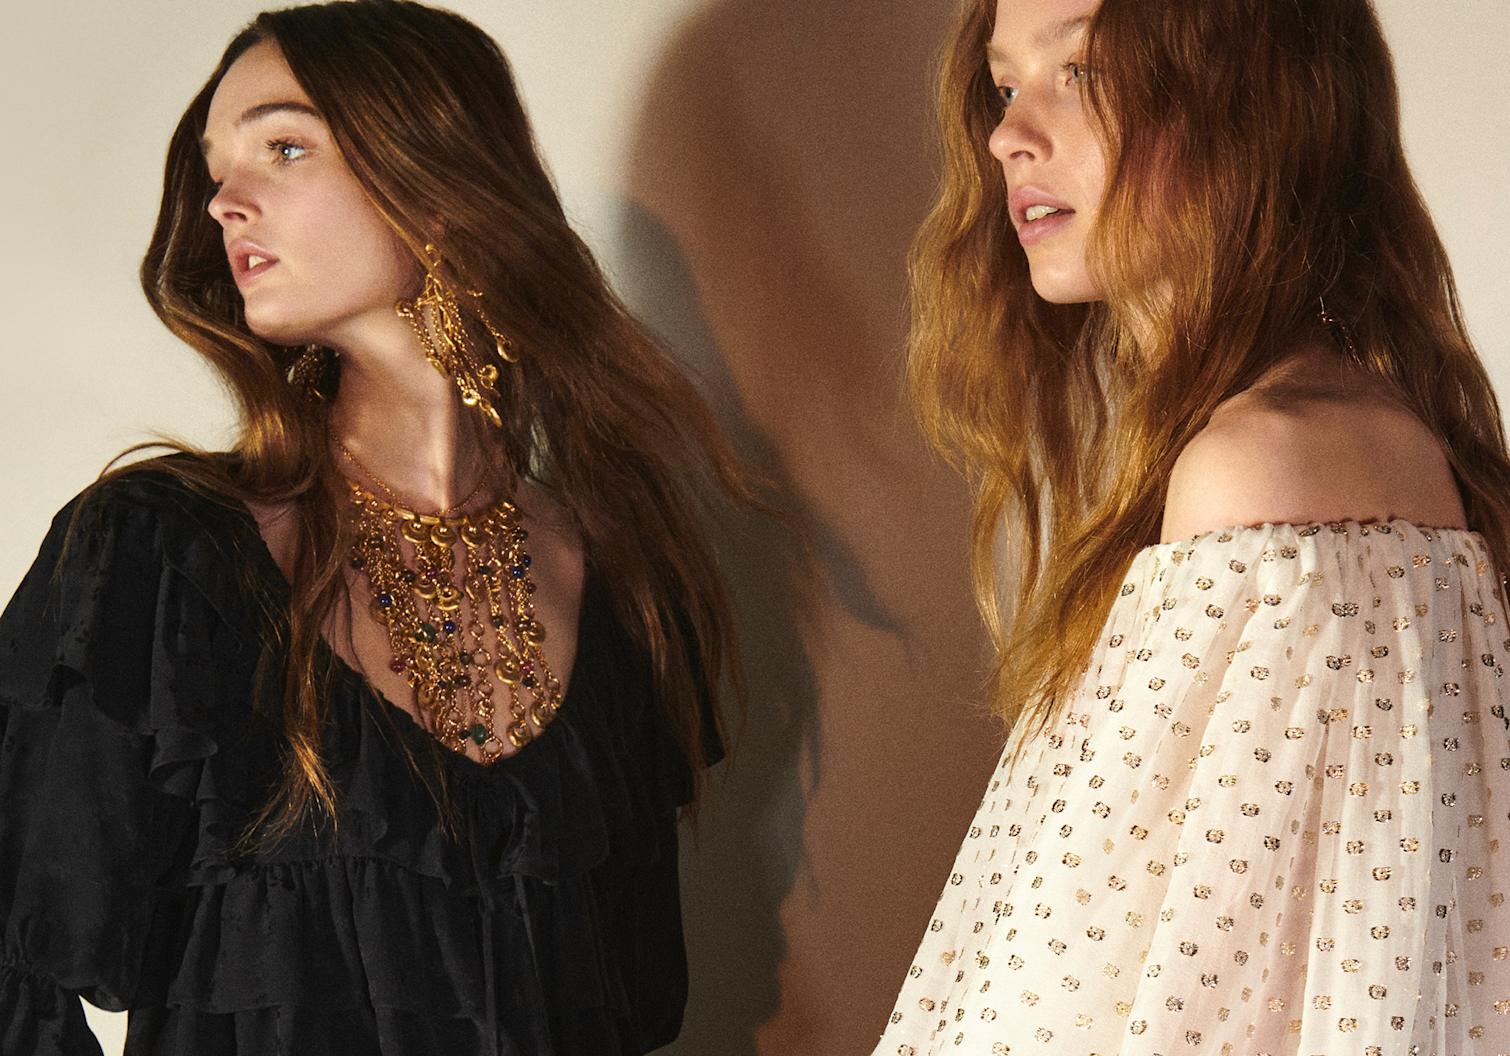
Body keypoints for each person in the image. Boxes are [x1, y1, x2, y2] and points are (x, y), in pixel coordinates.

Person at [0, 2, 753, 1053]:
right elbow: (23, 975)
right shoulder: (155, 561)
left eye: (285, 147)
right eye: (217, 166)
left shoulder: (626, 582)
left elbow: (630, 1007)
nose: (224, 200)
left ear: (435, 187)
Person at [873, 0, 1510, 1051]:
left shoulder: (1267, 472)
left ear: (1252, 102)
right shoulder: (1312, 443)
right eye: (1003, 84)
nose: (1006, 134)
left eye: (1081, 72)